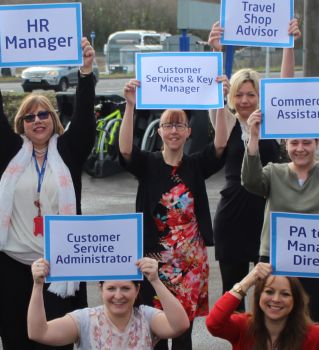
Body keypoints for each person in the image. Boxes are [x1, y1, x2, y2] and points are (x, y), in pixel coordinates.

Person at [0, 32, 97, 349]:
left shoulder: (68, 151)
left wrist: (85, 74)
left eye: (44, 114)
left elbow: (84, 122)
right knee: (17, 342)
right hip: (13, 268)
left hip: (59, 268)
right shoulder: (10, 152)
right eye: (29, 116)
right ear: (21, 124)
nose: (37, 120)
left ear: (54, 119)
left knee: (58, 343)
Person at [118, 77, 230, 349]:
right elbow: (124, 149)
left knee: (182, 332)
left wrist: (222, 101)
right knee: (154, 329)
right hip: (155, 262)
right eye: (168, 125)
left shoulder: (195, 165)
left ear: (188, 132)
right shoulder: (148, 164)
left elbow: (220, 144)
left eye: (180, 125)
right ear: (160, 132)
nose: (174, 131)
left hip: (190, 264)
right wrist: (130, 106)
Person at [241, 108, 319, 325]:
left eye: (307, 143)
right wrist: (253, 136)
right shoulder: (274, 173)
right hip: (278, 263)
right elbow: (250, 180)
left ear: (317, 144)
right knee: (275, 329)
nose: (300, 149)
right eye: (294, 143)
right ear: (286, 145)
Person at [208, 19, 301, 310]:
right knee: (233, 298)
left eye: (251, 94)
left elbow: (285, 86)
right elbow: (212, 93)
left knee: (270, 298)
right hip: (233, 216)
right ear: (231, 97)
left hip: (267, 215)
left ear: (261, 96)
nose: (245, 100)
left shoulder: (272, 123)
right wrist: (216, 52)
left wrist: (288, 44)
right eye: (239, 94)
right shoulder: (225, 121)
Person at [206, 260, 319, 349]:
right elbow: (214, 323)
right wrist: (249, 280)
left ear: (295, 301)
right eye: (269, 292)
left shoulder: (311, 335)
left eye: (285, 294)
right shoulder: (244, 327)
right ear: (259, 296)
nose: (275, 299)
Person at [27, 257, 190, 349]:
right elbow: (39, 333)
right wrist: (37, 285)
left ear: (137, 290)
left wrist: (155, 280)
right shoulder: (85, 320)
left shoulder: (146, 317)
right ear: (101, 289)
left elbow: (180, 325)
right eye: (111, 288)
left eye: (126, 288)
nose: (118, 296)